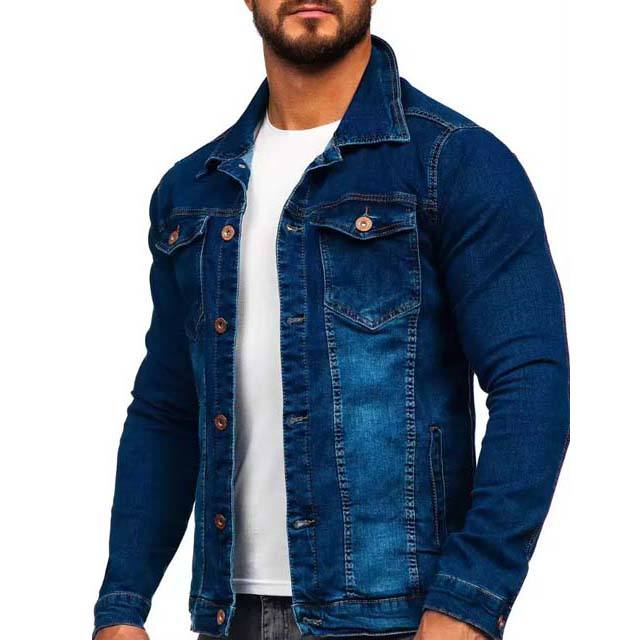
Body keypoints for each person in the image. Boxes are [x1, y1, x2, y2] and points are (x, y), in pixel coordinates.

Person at [93, 1, 570, 639]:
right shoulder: (192, 192)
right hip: (228, 617)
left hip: (399, 621)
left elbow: (532, 386)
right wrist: (122, 605)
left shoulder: (454, 164)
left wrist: (469, 601)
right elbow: (167, 408)